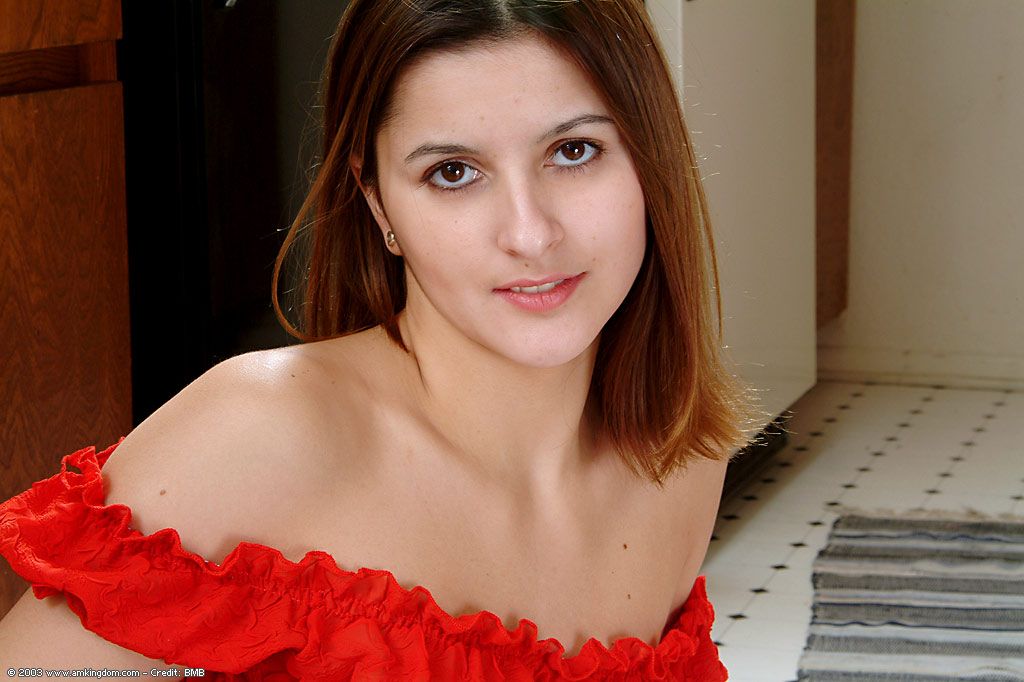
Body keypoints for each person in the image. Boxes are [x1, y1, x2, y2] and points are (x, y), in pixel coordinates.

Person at [0, 0, 760, 678]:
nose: (530, 234)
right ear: (378, 202)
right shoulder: (264, 433)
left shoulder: (679, 465)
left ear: (650, 160)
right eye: (454, 172)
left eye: (574, 151)